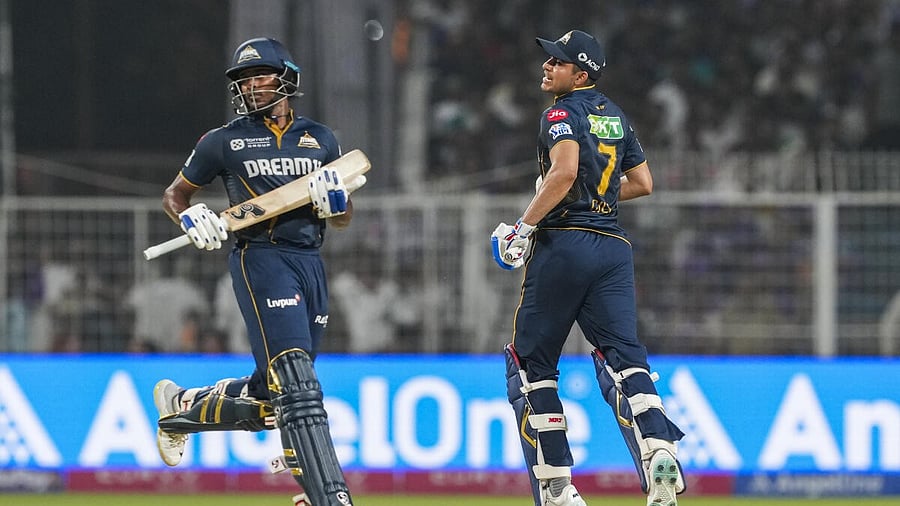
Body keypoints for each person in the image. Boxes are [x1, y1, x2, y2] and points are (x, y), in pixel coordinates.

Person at [151, 37, 361, 506]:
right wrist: (189, 216)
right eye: (243, 80)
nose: (250, 86)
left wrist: (338, 205)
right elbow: (175, 195)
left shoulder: (321, 139)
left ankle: (180, 408)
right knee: (298, 383)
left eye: (260, 76)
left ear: (287, 78)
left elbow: (344, 217)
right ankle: (326, 496)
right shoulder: (222, 140)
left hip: (310, 262)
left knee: (272, 396)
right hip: (261, 257)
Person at [491, 30, 686, 506]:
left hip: (563, 244)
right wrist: (595, 197)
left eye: (557, 62)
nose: (547, 66)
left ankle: (557, 486)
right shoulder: (616, 116)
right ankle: (658, 449)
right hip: (613, 249)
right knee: (626, 359)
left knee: (531, 367)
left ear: (580, 75)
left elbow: (563, 172)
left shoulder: (560, 113)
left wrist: (522, 228)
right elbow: (642, 182)